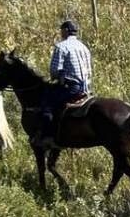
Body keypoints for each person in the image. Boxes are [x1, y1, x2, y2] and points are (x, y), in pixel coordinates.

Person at [34, 20, 93, 148]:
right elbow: (89, 70)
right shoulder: (84, 47)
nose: (61, 33)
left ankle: (49, 138)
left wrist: (58, 77)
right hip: (86, 88)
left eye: (61, 30)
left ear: (66, 30)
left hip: (71, 87)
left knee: (47, 105)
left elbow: (54, 71)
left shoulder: (61, 47)